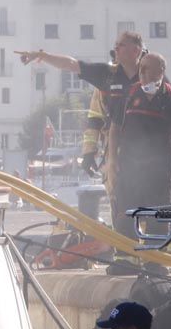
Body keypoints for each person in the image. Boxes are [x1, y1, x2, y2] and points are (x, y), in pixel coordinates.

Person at [17, 31, 144, 206]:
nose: (115, 48)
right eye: (115, 45)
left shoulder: (151, 76)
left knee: (147, 209)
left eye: (120, 45)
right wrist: (89, 152)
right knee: (120, 208)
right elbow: (71, 65)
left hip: (147, 154)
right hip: (116, 154)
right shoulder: (107, 75)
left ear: (136, 51)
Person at [106, 52, 171, 263]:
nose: (141, 73)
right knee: (125, 213)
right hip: (129, 168)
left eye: (146, 69)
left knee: (159, 215)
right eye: (140, 68)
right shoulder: (128, 96)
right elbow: (114, 130)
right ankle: (125, 260)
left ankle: (156, 261)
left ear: (160, 71)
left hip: (159, 171)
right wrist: (112, 161)